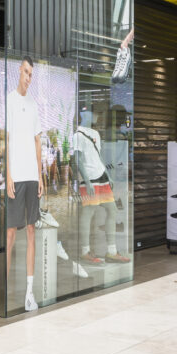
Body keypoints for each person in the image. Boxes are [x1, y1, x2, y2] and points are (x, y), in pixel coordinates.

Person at [6, 56, 43, 311]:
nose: (28, 78)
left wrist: (40, 177)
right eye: (26, 72)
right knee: (10, 233)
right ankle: (5, 288)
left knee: (31, 230)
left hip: (31, 176)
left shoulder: (34, 105)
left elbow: (38, 141)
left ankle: (29, 293)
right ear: (19, 70)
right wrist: (8, 175)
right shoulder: (9, 100)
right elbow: (7, 139)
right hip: (16, 177)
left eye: (31, 75)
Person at [71, 107, 130, 265]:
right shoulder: (78, 135)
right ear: (84, 114)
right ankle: (85, 252)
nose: (97, 116)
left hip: (101, 176)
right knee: (88, 212)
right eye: (95, 113)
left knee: (112, 209)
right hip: (89, 178)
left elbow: (98, 157)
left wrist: (108, 175)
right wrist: (86, 180)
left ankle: (111, 252)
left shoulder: (95, 133)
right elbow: (78, 159)